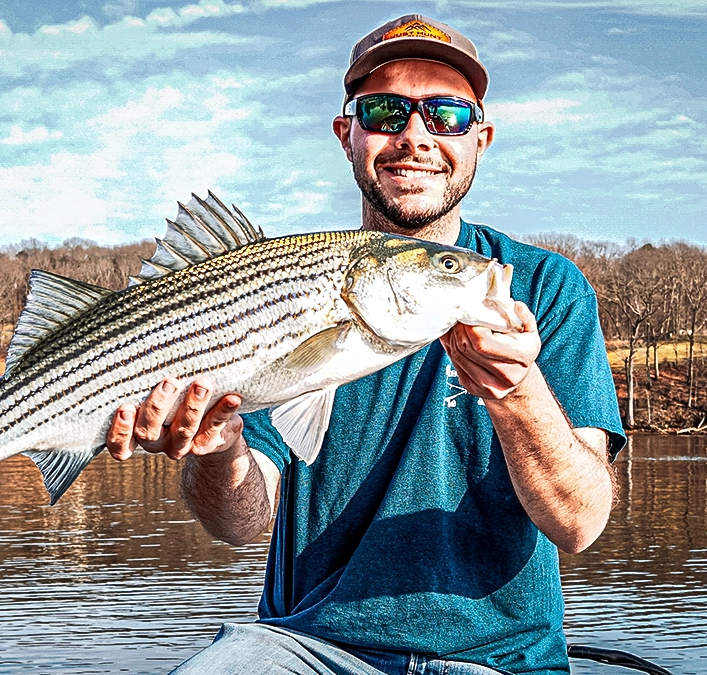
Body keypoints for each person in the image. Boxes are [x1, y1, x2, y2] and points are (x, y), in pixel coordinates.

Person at [105, 14, 626, 675]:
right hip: (304, 650)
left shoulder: (546, 288)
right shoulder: (280, 293)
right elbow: (239, 521)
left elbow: (580, 522)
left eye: (446, 115)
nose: (415, 137)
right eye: (384, 111)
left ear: (481, 138)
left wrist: (517, 393)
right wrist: (219, 450)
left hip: (499, 661)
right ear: (346, 133)